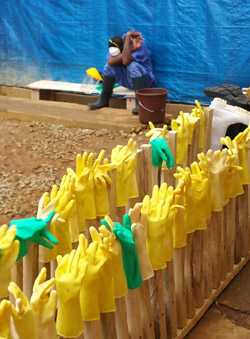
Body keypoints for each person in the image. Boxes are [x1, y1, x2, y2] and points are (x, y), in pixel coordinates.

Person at [89, 31, 155, 113]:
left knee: (133, 66)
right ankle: (103, 100)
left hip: (145, 82)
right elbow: (110, 62)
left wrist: (129, 46)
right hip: (128, 82)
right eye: (126, 42)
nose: (128, 43)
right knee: (108, 66)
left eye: (129, 41)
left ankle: (141, 104)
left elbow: (126, 61)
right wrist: (129, 47)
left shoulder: (141, 49)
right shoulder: (122, 49)